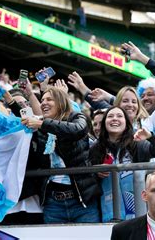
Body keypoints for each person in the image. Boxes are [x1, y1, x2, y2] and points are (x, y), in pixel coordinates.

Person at [70, 44, 155, 168]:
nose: (145, 98)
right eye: (142, 96)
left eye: (150, 94)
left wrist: (142, 58)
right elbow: (116, 109)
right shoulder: (133, 124)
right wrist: (84, 90)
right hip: (147, 181)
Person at [21, 86, 101, 223]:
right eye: (42, 100)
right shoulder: (40, 127)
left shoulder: (76, 116)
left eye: (49, 99)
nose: (44, 103)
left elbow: (78, 130)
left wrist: (42, 124)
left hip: (82, 201)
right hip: (53, 204)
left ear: (60, 102)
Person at [89, 106, 155, 222]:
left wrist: (151, 137)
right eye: (110, 116)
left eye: (119, 116)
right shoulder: (96, 148)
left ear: (126, 123)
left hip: (137, 211)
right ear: (104, 123)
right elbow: (89, 181)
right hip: (107, 212)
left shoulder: (136, 143)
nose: (114, 119)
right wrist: (96, 173)